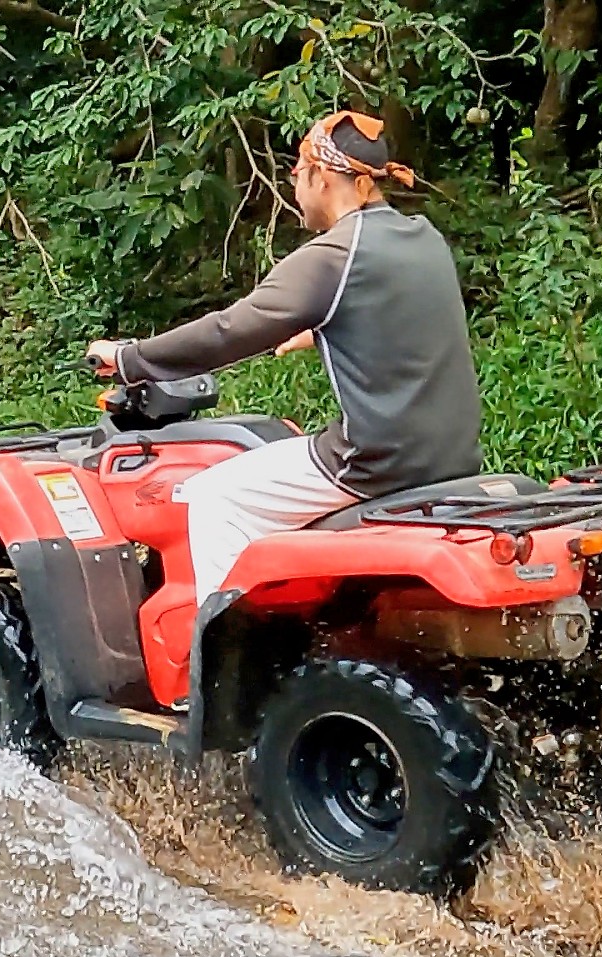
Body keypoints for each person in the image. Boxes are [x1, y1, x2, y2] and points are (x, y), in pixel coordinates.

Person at [86, 111, 482, 597]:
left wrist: (129, 359)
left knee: (213, 497)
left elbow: (229, 331)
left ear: (322, 175)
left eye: (297, 174)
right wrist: (324, 330)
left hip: (375, 460)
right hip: (453, 454)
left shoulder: (334, 254)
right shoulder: (423, 236)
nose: (295, 187)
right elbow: (404, 312)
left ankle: (225, 656)